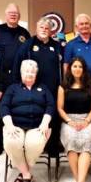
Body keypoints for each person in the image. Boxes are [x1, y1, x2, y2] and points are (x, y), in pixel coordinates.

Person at [0, 59, 54, 182]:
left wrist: (45, 123)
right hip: (15, 125)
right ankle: (27, 174)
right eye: (26, 71)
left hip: (37, 126)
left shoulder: (43, 88)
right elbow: (4, 106)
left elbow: (50, 105)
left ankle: (24, 173)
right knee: (12, 143)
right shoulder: (13, 88)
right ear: (21, 73)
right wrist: (9, 124)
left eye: (32, 72)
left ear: (36, 74)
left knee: (34, 144)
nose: (29, 74)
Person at [12, 16, 62, 157]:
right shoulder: (28, 44)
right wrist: (17, 86)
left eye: (47, 28)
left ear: (51, 31)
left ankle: (52, 146)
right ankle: (35, 147)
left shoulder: (56, 46)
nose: (44, 30)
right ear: (36, 28)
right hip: (33, 89)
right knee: (37, 115)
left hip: (52, 88)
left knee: (52, 117)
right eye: (41, 28)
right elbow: (17, 65)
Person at [0, 3, 31, 155]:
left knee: (16, 110)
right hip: (0, 78)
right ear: (5, 15)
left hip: (18, 78)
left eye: (16, 13)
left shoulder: (24, 33)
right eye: (10, 13)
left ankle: (15, 142)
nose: (13, 15)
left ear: (19, 16)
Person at [57, 57, 91, 182]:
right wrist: (69, 121)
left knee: (86, 142)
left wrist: (86, 121)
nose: (77, 69)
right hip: (69, 120)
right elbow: (60, 108)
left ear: (84, 69)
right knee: (71, 140)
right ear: (70, 68)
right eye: (74, 66)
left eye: (80, 66)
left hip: (87, 120)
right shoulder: (63, 86)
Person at [63, 13, 91, 95]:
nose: (84, 26)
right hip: (77, 83)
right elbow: (66, 65)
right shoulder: (71, 44)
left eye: (86, 23)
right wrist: (67, 83)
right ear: (77, 27)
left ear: (90, 25)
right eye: (81, 24)